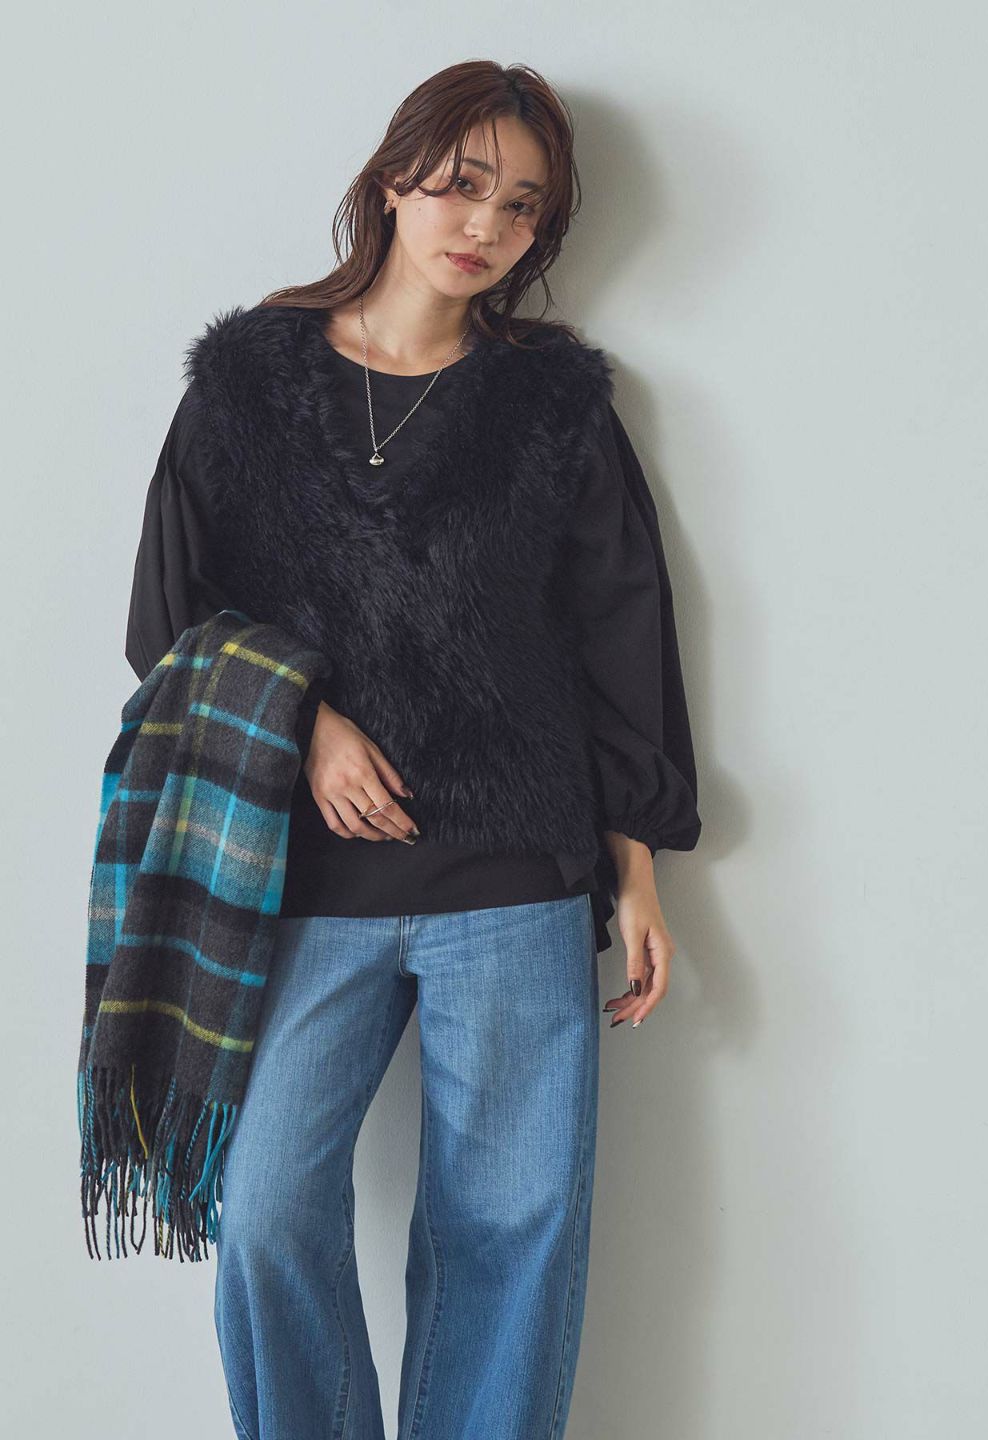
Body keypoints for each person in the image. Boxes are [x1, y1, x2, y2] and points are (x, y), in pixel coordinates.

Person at [124, 59, 701, 1440]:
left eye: (523, 205)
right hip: (299, 881)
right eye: (460, 184)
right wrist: (305, 724)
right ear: (394, 180)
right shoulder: (249, 384)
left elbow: (623, 629)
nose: (485, 224)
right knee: (265, 1209)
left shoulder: (552, 404)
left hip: (513, 877)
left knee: (511, 1231)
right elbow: (167, 618)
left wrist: (634, 866)